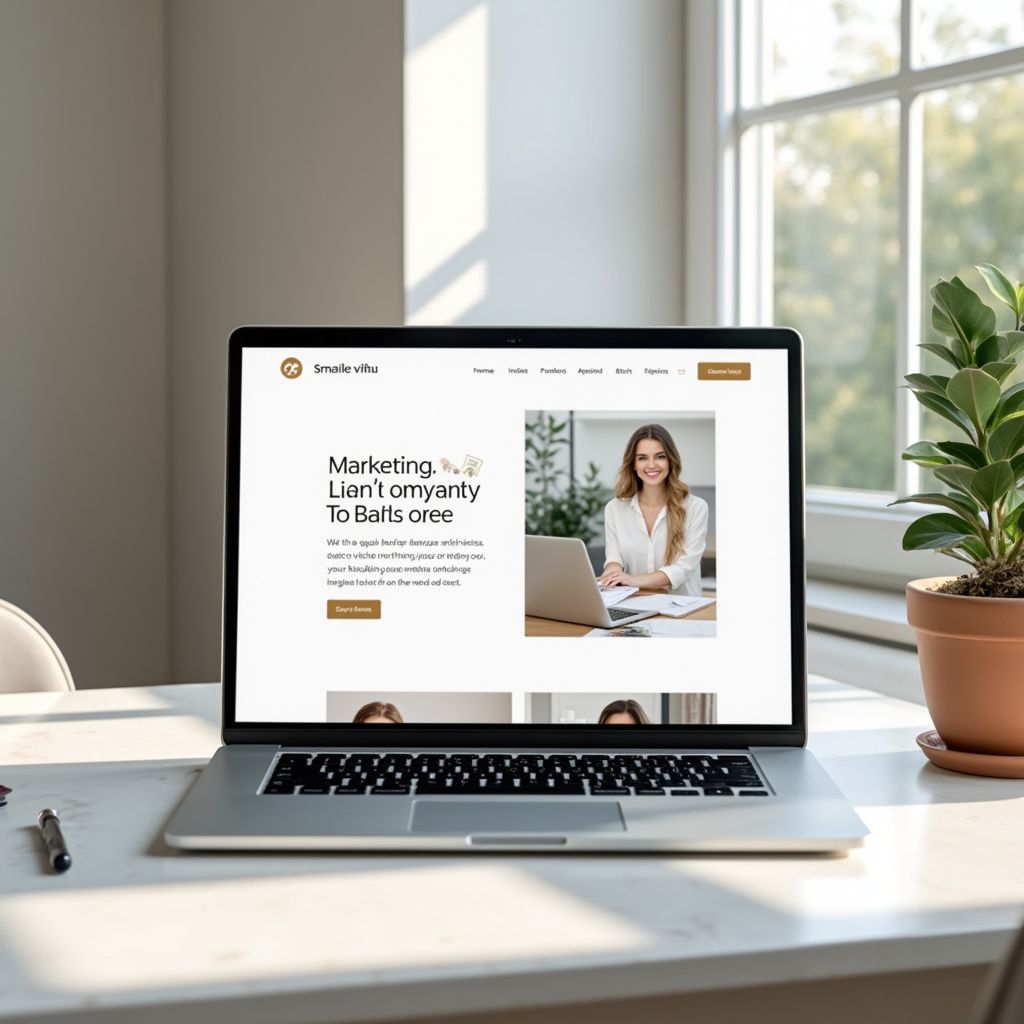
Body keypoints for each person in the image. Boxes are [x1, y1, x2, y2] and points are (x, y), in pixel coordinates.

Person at [595, 423, 709, 597]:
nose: (651, 465)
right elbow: (614, 559)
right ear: (633, 464)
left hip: (683, 611)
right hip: (635, 606)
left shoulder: (696, 508)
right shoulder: (615, 509)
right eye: (642, 458)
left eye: (660, 456)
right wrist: (611, 576)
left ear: (670, 460)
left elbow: (683, 568)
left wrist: (632, 580)